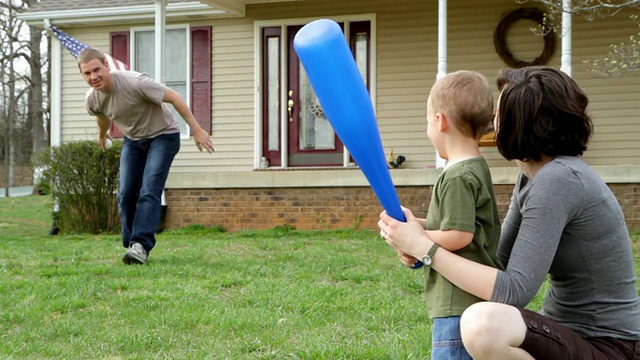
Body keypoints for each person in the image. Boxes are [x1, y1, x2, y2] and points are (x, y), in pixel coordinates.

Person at [379, 66, 640, 359]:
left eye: (498, 113)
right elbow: (496, 261)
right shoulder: (533, 177)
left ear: (518, 123)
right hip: (570, 334)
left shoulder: (559, 181)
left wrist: (423, 247)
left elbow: (512, 291)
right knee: (484, 320)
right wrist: (419, 232)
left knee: (484, 325)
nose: (492, 120)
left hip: (609, 347)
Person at [392, 70, 504, 359]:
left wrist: (414, 239)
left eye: (427, 121)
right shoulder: (476, 168)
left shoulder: (457, 176)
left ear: (440, 121)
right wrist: (418, 224)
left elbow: (459, 234)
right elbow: (462, 222)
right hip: (471, 305)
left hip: (457, 304)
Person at [78, 48, 214, 265]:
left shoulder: (136, 82)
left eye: (97, 70)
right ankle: (133, 243)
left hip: (164, 136)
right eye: (87, 73)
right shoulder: (92, 99)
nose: (93, 77)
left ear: (106, 64)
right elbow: (103, 116)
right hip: (133, 140)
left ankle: (140, 245)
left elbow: (174, 97)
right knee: (125, 194)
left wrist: (197, 130)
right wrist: (102, 135)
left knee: (149, 190)